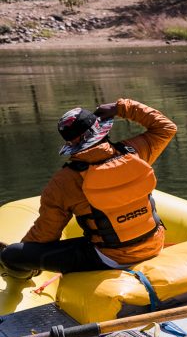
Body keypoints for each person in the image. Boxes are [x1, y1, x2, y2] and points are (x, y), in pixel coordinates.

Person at [0, 99, 177, 279]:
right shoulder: (134, 152)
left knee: (11, 254)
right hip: (155, 243)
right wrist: (121, 107)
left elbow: (45, 234)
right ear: (100, 129)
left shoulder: (65, 181)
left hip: (109, 259)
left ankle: (23, 273)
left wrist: (26, 253)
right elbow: (166, 128)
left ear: (70, 143)